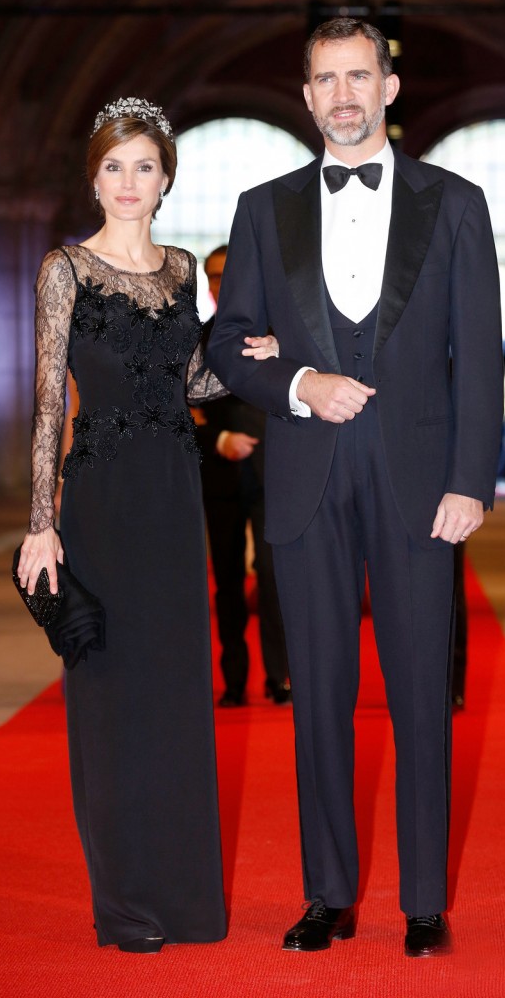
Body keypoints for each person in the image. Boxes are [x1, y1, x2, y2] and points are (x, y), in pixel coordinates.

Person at [207, 18, 503, 958]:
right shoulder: (263, 208)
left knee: (420, 697)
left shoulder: (456, 203)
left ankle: (424, 902)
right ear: (306, 96)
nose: (343, 94)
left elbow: (480, 355)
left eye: (358, 76)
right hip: (306, 475)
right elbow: (228, 342)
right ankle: (327, 893)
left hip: (421, 484)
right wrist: (299, 382)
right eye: (326, 79)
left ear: (388, 86)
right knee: (320, 699)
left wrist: (472, 480)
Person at [16, 98, 236, 953]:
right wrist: (42, 524)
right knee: (111, 703)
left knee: (175, 698)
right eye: (114, 166)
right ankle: (125, 905)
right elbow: (49, 403)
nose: (129, 182)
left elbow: (192, 380)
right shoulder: (64, 270)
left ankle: (184, 899)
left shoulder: (182, 270)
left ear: (166, 177)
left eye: (144, 166)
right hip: (102, 502)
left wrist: (247, 357)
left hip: (175, 496)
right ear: (94, 178)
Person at [195, 245, 290, 707]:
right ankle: (234, 679)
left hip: (275, 476)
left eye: (228, 274)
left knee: (273, 577)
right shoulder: (197, 338)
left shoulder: (279, 334)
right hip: (221, 475)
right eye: (213, 276)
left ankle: (280, 675)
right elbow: (180, 411)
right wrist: (219, 440)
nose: (221, 283)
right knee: (228, 581)